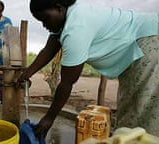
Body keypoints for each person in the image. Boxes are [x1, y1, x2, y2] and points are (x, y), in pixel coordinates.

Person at [17, 0, 159, 138]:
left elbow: (67, 82)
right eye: (40, 21)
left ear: (59, 8)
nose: (44, 25)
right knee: (132, 106)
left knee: (144, 109)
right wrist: (27, 74)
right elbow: (49, 49)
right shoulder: (67, 18)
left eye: (46, 19)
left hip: (149, 42)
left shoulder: (76, 28)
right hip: (138, 45)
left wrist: (49, 118)